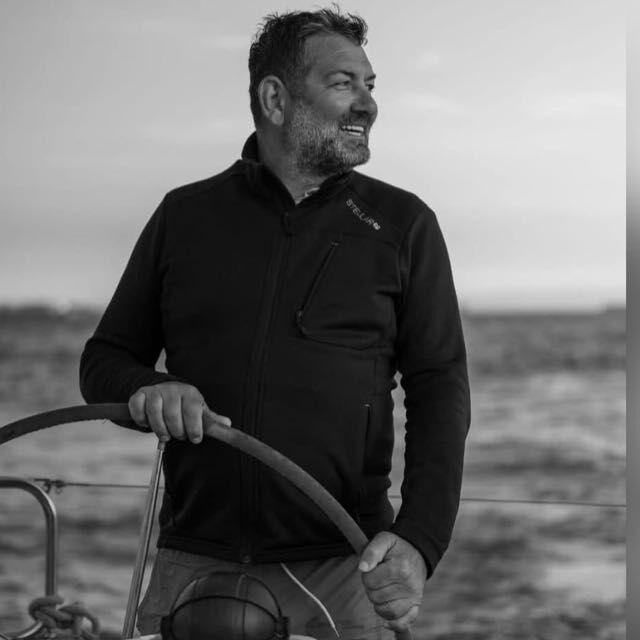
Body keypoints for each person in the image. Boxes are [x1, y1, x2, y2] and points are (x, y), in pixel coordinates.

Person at [79, 7, 470, 639]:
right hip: (193, 561)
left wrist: (420, 539)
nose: (368, 103)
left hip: (344, 565)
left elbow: (440, 385)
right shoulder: (185, 217)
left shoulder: (403, 225)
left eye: (371, 85)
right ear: (275, 98)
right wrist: (148, 388)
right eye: (344, 83)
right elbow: (104, 360)